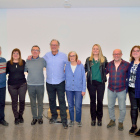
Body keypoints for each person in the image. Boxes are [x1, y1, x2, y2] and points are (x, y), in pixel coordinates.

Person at [43, 39, 69, 129]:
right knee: (52, 100)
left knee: (62, 101)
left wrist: (77, 62)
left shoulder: (63, 56)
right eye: (52, 45)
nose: (53, 46)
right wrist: (31, 58)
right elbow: (39, 62)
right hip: (49, 82)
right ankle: (53, 117)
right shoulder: (46, 55)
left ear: (58, 46)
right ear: (50, 46)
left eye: (55, 45)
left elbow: (70, 65)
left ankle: (64, 120)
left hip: (60, 82)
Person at [106, 49, 129, 131]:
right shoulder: (109, 64)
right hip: (111, 89)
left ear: (121, 54)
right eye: (115, 54)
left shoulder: (126, 64)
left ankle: (121, 121)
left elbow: (130, 75)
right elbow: (103, 73)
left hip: (121, 89)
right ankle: (112, 120)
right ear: (113, 55)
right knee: (110, 106)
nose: (116, 55)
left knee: (122, 107)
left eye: (118, 54)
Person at [85, 44, 108, 126]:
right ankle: (93, 119)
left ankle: (100, 119)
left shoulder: (103, 59)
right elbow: (85, 69)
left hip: (100, 83)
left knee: (100, 101)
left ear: (99, 50)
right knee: (92, 101)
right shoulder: (88, 60)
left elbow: (107, 69)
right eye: (94, 49)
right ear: (92, 50)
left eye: (97, 49)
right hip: (91, 83)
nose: (95, 50)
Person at [25, 45, 46, 125]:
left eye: (37, 50)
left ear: (39, 52)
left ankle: (40, 117)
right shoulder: (28, 60)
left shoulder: (43, 60)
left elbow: (50, 67)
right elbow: (24, 69)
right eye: (33, 50)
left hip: (40, 84)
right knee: (33, 103)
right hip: (30, 85)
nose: (35, 51)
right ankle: (34, 118)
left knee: (40, 102)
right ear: (31, 51)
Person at [6, 48, 27, 125]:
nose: (15, 54)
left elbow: (29, 69)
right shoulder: (8, 63)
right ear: (12, 55)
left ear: (19, 55)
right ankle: (16, 117)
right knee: (14, 102)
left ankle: (20, 115)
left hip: (22, 84)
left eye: (17, 53)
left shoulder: (23, 62)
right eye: (14, 53)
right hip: (12, 85)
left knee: (22, 100)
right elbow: (3, 72)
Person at [65, 51, 86, 127]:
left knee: (78, 105)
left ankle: (78, 120)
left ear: (76, 57)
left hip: (78, 89)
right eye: (70, 56)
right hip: (69, 89)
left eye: (73, 55)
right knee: (70, 105)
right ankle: (71, 120)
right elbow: (64, 76)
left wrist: (83, 89)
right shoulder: (67, 66)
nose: (72, 57)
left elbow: (84, 78)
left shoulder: (80, 66)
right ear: (69, 57)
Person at [127, 45, 140, 137]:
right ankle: (134, 126)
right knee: (133, 108)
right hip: (131, 89)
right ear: (131, 53)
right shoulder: (131, 63)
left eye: (138, 51)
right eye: (133, 51)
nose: (135, 52)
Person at [0, 46, 9, 126]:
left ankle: (2, 119)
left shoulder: (3, 60)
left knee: (2, 103)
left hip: (2, 86)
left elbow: (6, 72)